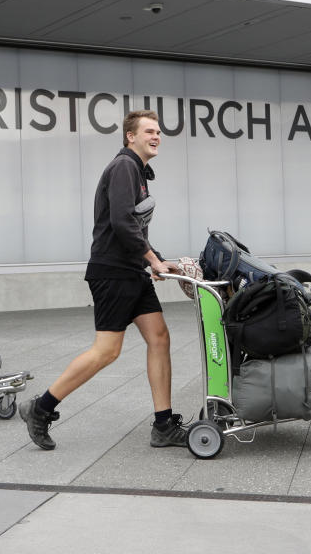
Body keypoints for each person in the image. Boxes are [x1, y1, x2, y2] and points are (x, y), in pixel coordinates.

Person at [18, 110, 187, 450]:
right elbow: (122, 223)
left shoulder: (137, 171)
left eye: (158, 132)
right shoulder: (124, 166)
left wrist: (156, 260)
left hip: (131, 271)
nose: (156, 136)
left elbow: (134, 228)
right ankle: (40, 408)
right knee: (106, 351)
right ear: (130, 137)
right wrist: (151, 259)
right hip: (112, 272)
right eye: (149, 131)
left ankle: (163, 423)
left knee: (159, 337)